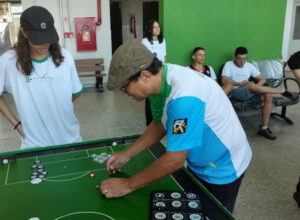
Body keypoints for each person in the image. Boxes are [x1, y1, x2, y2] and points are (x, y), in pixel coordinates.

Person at [101, 40, 252, 213]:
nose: (124, 93)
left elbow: (175, 160)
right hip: (200, 162)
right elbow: (159, 124)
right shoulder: (160, 79)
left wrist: (128, 185)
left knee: (213, 214)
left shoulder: (183, 98)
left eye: (124, 87)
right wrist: (127, 154)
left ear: (144, 76)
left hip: (224, 167)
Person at [0, 6, 83, 150]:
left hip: (71, 140)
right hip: (34, 145)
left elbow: (76, 92)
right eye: (39, 39)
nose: (45, 44)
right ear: (24, 33)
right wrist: (16, 123)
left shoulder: (65, 58)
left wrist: (53, 106)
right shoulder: (8, 62)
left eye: (48, 38)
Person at [221, 47, 298, 140]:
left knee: (268, 94)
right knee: (252, 86)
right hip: (236, 91)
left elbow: (262, 79)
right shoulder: (229, 65)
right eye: (240, 59)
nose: (242, 61)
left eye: (244, 59)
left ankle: (264, 128)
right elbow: (224, 80)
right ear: (235, 57)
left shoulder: (249, 66)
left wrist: (257, 86)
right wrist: (239, 84)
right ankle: (282, 91)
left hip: (250, 90)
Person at [142, 19, 166, 126]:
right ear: (150, 29)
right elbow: (145, 58)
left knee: (160, 96)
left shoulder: (162, 41)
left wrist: (165, 70)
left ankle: (159, 120)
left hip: (161, 72)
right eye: (154, 27)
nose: (157, 29)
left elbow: (164, 57)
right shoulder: (145, 41)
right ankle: (150, 121)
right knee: (150, 97)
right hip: (150, 72)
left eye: (158, 27)